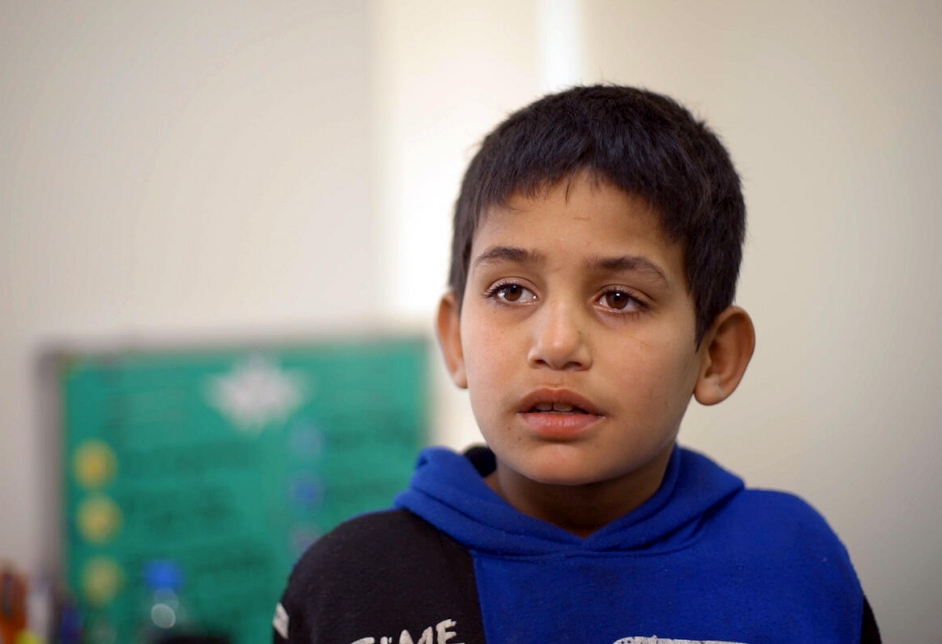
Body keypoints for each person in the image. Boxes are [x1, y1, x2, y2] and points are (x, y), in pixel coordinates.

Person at [272, 85, 880, 643]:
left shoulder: (796, 560)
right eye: (511, 291)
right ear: (456, 340)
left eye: (619, 298)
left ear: (714, 357)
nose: (557, 344)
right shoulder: (346, 584)